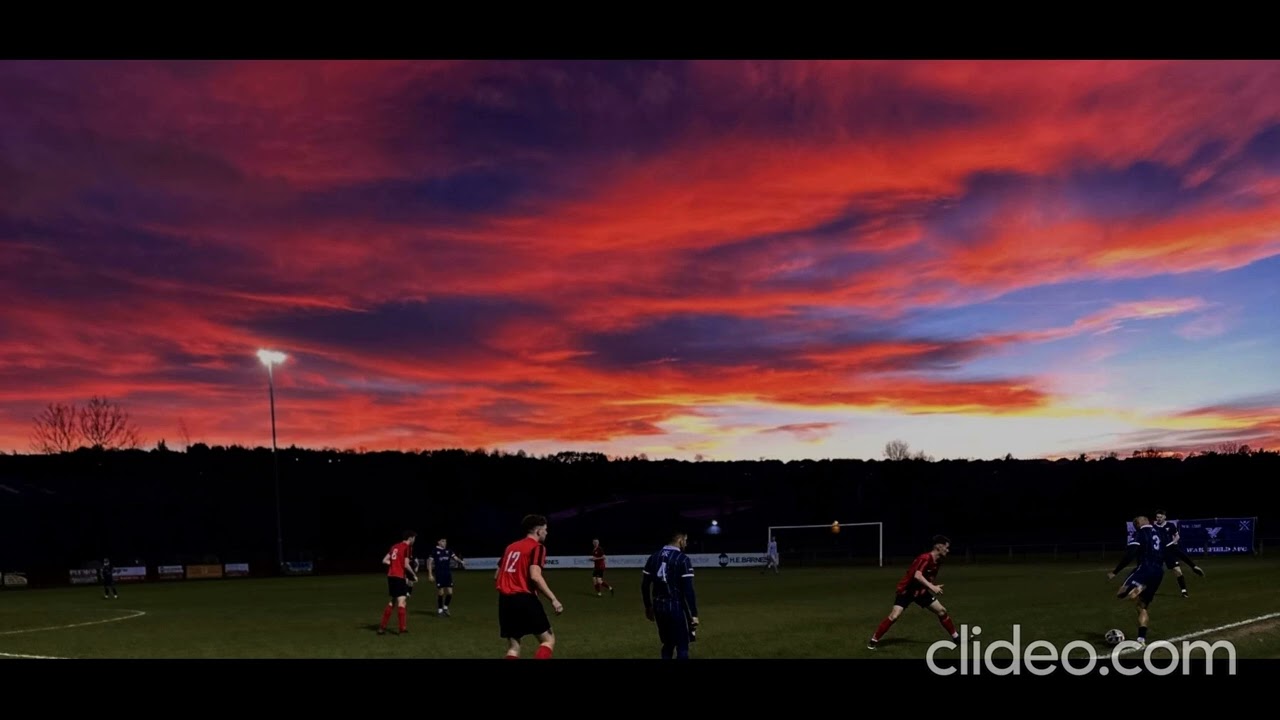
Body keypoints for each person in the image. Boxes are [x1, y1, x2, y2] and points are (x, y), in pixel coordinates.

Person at [867, 535, 959, 650]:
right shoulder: (925, 558)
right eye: (947, 547)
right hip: (907, 590)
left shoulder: (938, 561)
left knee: (941, 611)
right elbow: (917, 575)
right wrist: (932, 587)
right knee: (894, 616)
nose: (948, 550)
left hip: (921, 592)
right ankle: (873, 641)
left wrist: (931, 586)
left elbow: (926, 577)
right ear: (939, 546)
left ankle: (956, 638)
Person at [495, 515, 563, 658]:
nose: (547, 532)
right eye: (545, 529)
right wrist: (553, 599)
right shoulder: (537, 548)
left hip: (505, 601)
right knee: (548, 640)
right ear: (538, 531)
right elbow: (535, 576)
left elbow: (497, 575)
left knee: (514, 647)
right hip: (524, 598)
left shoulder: (510, 547)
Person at [641, 531, 700, 659]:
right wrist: (693, 614)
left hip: (658, 607)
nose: (686, 543)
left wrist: (648, 607)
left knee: (668, 644)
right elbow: (688, 590)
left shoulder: (653, 557)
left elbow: (645, 585)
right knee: (682, 645)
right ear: (679, 540)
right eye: (685, 540)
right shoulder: (683, 559)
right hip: (676, 607)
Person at [1108, 515, 1165, 647]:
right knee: (1141, 607)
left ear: (1140, 523)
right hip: (1159, 572)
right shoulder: (1160, 533)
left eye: (1136, 522)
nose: (1135, 524)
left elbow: (1130, 554)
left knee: (1121, 593)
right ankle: (1141, 639)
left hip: (1145, 569)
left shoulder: (1140, 533)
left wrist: (1115, 572)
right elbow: (1170, 551)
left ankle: (1140, 586)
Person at [1152, 509, 1205, 597]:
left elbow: (1177, 536)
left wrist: (1172, 543)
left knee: (1177, 571)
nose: (1159, 519)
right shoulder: (1153, 527)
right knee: (1153, 572)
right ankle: (1145, 589)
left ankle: (1184, 591)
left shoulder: (1170, 525)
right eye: (1157, 517)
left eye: (1160, 517)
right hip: (1158, 553)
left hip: (1169, 551)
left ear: (1165, 517)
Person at [378, 530, 417, 635]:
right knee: (402, 602)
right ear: (410, 538)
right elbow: (406, 565)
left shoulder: (394, 546)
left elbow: (384, 560)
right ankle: (402, 629)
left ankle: (382, 627)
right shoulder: (407, 547)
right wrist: (413, 575)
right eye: (414, 538)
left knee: (393, 601)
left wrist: (395, 564)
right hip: (399, 577)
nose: (414, 540)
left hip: (391, 576)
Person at [429, 537, 467, 616]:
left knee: (450, 592)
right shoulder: (435, 551)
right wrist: (430, 574)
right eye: (443, 541)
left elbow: (455, 558)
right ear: (438, 542)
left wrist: (462, 562)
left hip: (447, 574)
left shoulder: (448, 551)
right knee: (441, 592)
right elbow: (429, 563)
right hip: (439, 574)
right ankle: (440, 610)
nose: (444, 543)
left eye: (445, 541)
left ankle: (445, 608)